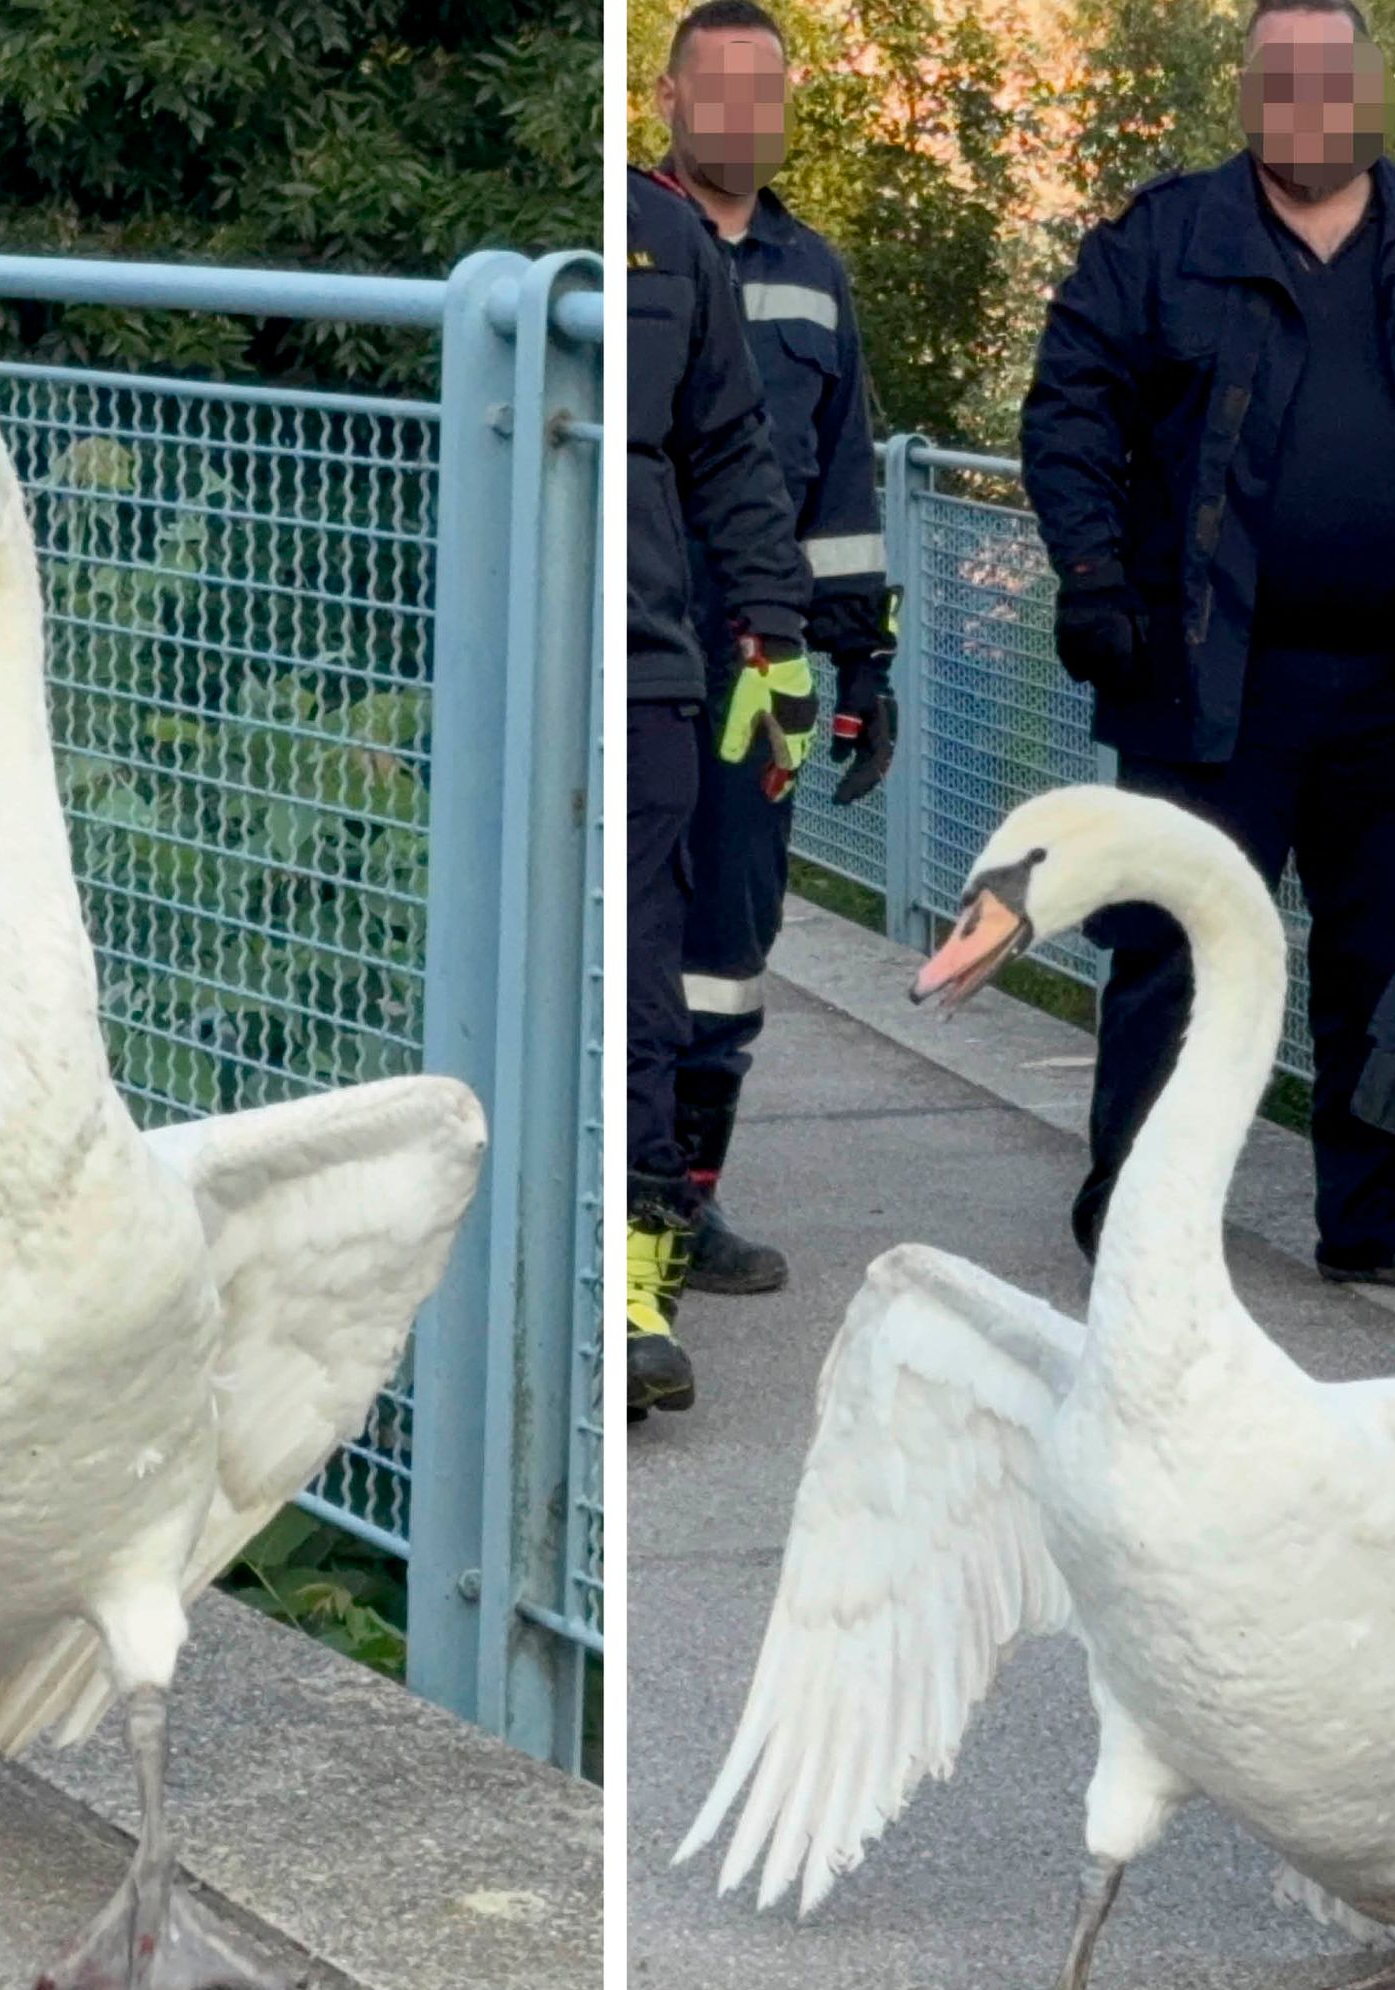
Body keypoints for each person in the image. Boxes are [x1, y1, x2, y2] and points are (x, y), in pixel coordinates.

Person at [1019, 0, 1395, 1296]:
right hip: (1208, 679)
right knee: (1175, 952)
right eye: (1284, 75)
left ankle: (1380, 1221)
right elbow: (1071, 410)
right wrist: (1091, 573)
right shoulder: (1161, 241)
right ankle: (1140, 1224)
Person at [650, 0, 892, 1299]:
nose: (743, 116)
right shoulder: (639, 243)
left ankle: (686, 1205)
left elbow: (841, 485)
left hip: (761, 663)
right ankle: (624, 1193)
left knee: (731, 939)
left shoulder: (814, 272)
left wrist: (864, 664)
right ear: (668, 102)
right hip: (645, 638)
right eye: (719, 90)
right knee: (636, 920)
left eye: (765, 92)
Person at [625, 163, 813, 1418]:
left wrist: (779, 637)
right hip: (530, 654)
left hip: (650, 666)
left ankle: (637, 1295)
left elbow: (737, 449)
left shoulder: (667, 239)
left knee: (651, 976)